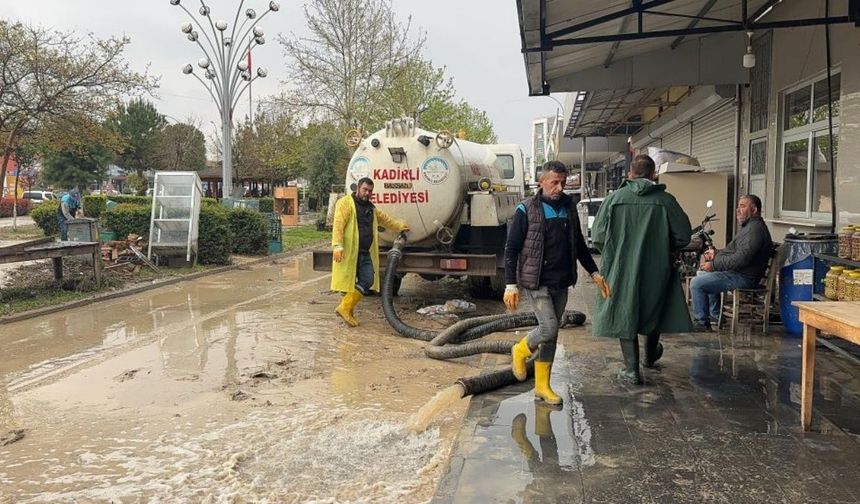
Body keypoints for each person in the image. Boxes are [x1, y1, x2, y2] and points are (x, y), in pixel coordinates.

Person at [505, 160, 610, 405]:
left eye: (563, 182)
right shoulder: (526, 209)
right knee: (549, 327)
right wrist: (511, 284)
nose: (560, 187)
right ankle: (519, 350)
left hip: (561, 281)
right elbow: (511, 249)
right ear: (541, 182)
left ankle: (542, 386)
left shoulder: (568, 207)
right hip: (537, 281)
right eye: (554, 182)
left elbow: (580, 246)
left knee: (551, 337)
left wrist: (594, 273)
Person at [591, 154, 693, 385]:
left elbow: (597, 237)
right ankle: (649, 357)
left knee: (624, 311)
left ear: (630, 174)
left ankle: (631, 370)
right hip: (658, 267)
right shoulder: (666, 201)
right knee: (653, 306)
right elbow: (683, 236)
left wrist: (614, 253)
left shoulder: (614, 199)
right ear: (653, 175)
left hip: (620, 268)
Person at [331, 177, 409, 327]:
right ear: (358, 188)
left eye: (370, 191)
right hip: (350, 253)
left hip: (364, 252)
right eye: (365, 189)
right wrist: (337, 245)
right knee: (348, 284)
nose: (367, 193)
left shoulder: (371, 208)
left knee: (368, 280)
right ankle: (347, 309)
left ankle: (345, 307)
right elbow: (338, 225)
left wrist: (400, 226)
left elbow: (385, 220)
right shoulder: (346, 203)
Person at [690, 194, 772, 331]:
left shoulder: (754, 231)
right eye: (738, 207)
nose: (738, 210)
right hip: (740, 273)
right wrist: (716, 254)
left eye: (743, 206)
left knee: (696, 283)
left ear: (754, 210)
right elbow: (734, 252)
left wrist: (714, 265)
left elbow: (740, 259)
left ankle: (701, 322)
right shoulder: (750, 227)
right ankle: (715, 315)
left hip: (745, 277)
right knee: (701, 274)